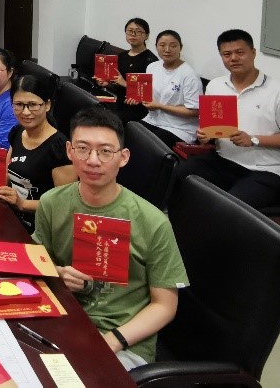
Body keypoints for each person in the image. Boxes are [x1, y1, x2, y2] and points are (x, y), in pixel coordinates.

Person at [33, 107, 187, 368]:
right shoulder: (51, 203)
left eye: (105, 151)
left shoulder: (152, 222)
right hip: (62, 320)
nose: (93, 161)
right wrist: (57, 273)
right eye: (83, 149)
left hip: (123, 339)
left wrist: (113, 340)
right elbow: (36, 263)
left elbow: (165, 305)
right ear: (69, 151)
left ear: (123, 157)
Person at [171, 29, 280, 209]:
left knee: (229, 206)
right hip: (224, 160)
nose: (233, 58)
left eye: (240, 52)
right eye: (227, 54)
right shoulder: (215, 86)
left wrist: (253, 139)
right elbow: (211, 128)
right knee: (177, 173)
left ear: (253, 53)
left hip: (267, 170)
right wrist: (205, 136)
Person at [0, 75, 76, 228]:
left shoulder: (59, 147)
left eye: (33, 105)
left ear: (47, 105)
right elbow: (8, 174)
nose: (25, 112)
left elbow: (64, 205)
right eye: (19, 104)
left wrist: (22, 204)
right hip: (11, 217)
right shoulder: (18, 132)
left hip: (39, 227)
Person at [130, 30, 202, 148]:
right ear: (156, 47)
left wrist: (160, 106)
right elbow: (148, 95)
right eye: (162, 45)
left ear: (180, 48)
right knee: (129, 134)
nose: (167, 49)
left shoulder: (189, 75)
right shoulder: (152, 67)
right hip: (153, 120)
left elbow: (195, 111)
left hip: (179, 128)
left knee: (147, 144)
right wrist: (138, 98)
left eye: (173, 46)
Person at [95, 18, 159, 125]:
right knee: (90, 110)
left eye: (138, 31)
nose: (133, 34)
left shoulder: (151, 61)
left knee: (104, 121)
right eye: (130, 31)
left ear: (147, 35)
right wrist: (107, 83)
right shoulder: (122, 56)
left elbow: (150, 94)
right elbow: (118, 83)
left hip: (139, 110)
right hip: (120, 104)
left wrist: (124, 83)